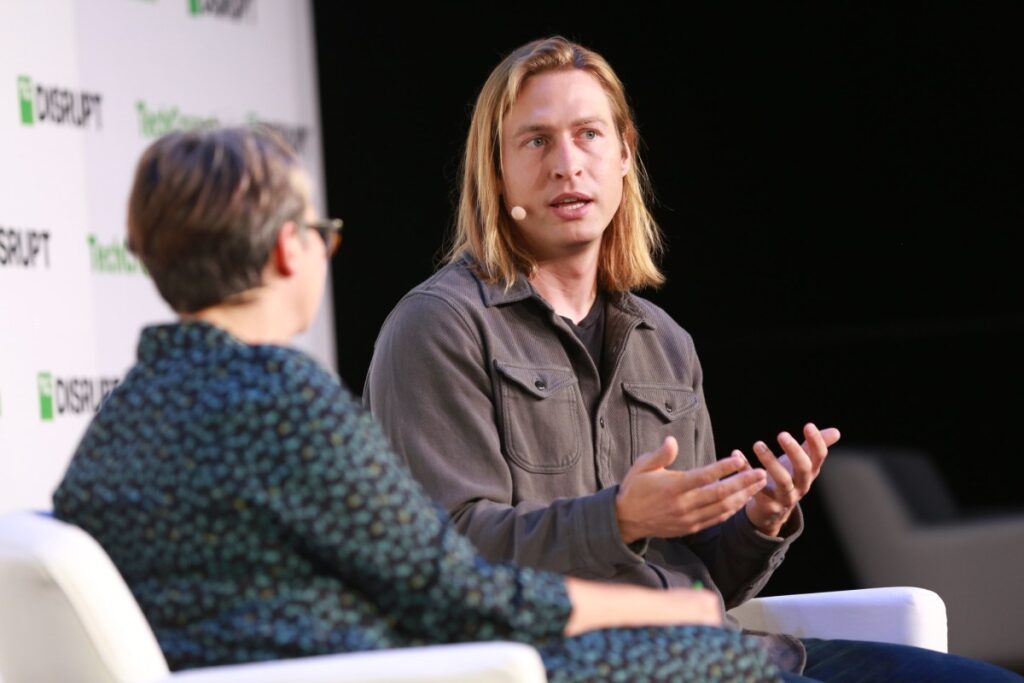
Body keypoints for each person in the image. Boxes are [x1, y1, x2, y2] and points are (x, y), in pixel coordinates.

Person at [363, 36, 1024, 682]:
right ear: (497, 170)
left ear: (624, 155)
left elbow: (706, 579)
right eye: (536, 141)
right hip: (573, 659)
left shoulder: (665, 339)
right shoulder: (438, 326)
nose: (567, 163)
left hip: (719, 652)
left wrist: (759, 522)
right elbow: (442, 557)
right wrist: (619, 517)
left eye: (588, 134)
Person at [51, 125, 782, 682]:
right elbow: (455, 596)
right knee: (722, 657)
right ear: (286, 251)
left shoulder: (120, 420)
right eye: (320, 232)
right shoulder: (282, 400)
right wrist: (663, 605)